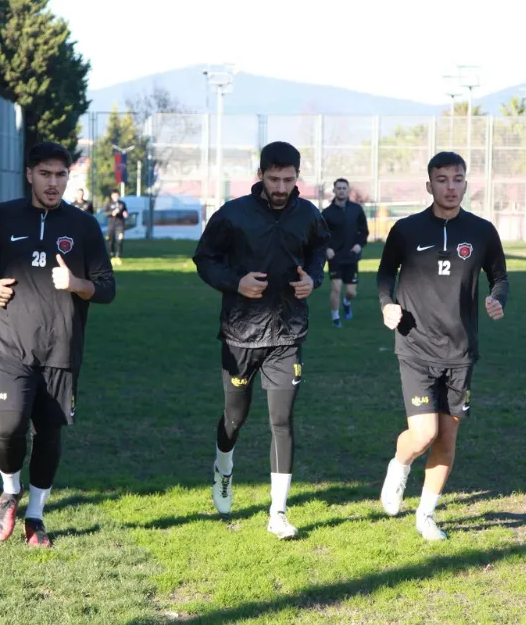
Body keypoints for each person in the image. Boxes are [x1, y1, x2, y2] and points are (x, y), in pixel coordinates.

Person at [0, 142, 116, 548]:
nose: (53, 182)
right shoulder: (2, 215)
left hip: (61, 348)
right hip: (9, 343)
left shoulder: (83, 226)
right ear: (29, 174)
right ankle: (10, 490)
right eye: (45, 174)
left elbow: (107, 288)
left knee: (48, 434)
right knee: (9, 427)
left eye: (61, 175)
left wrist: (78, 285)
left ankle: (36, 517)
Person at [192, 140, 330, 540]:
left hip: (288, 333)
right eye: (274, 178)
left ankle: (278, 512)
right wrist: (235, 282)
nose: (282, 186)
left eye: (289, 179)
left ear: (297, 177)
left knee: (282, 421)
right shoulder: (233, 214)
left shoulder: (308, 215)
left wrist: (313, 280)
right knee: (235, 417)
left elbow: (319, 250)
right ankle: (224, 465)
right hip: (240, 333)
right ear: (261, 175)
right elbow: (204, 259)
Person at [375, 151, 509, 542]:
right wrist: (387, 306)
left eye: (458, 179)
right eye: (442, 179)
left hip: (461, 350)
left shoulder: (483, 231)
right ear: (429, 185)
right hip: (415, 346)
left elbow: (500, 277)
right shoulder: (406, 229)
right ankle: (399, 466)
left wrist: (498, 298)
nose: (451, 187)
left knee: (447, 438)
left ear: (467, 183)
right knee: (423, 435)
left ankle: (426, 515)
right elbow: (385, 274)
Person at [320, 178, 369, 328]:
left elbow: (364, 231)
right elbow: (320, 234)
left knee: (351, 292)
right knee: (336, 287)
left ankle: (346, 302)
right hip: (334, 256)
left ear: (348, 191)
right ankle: (335, 318)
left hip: (351, 257)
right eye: (339, 188)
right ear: (334, 191)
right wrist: (326, 248)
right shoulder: (327, 213)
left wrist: (359, 245)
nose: (341, 191)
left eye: (344, 188)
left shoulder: (356, 209)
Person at [104, 189, 129, 264]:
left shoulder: (122, 204)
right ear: (112, 196)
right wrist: (112, 213)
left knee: (120, 240)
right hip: (111, 225)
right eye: (114, 195)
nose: (116, 197)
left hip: (120, 225)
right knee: (110, 241)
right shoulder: (108, 203)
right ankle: (112, 255)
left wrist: (125, 214)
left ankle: (118, 256)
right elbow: (104, 213)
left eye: (117, 195)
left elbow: (125, 211)